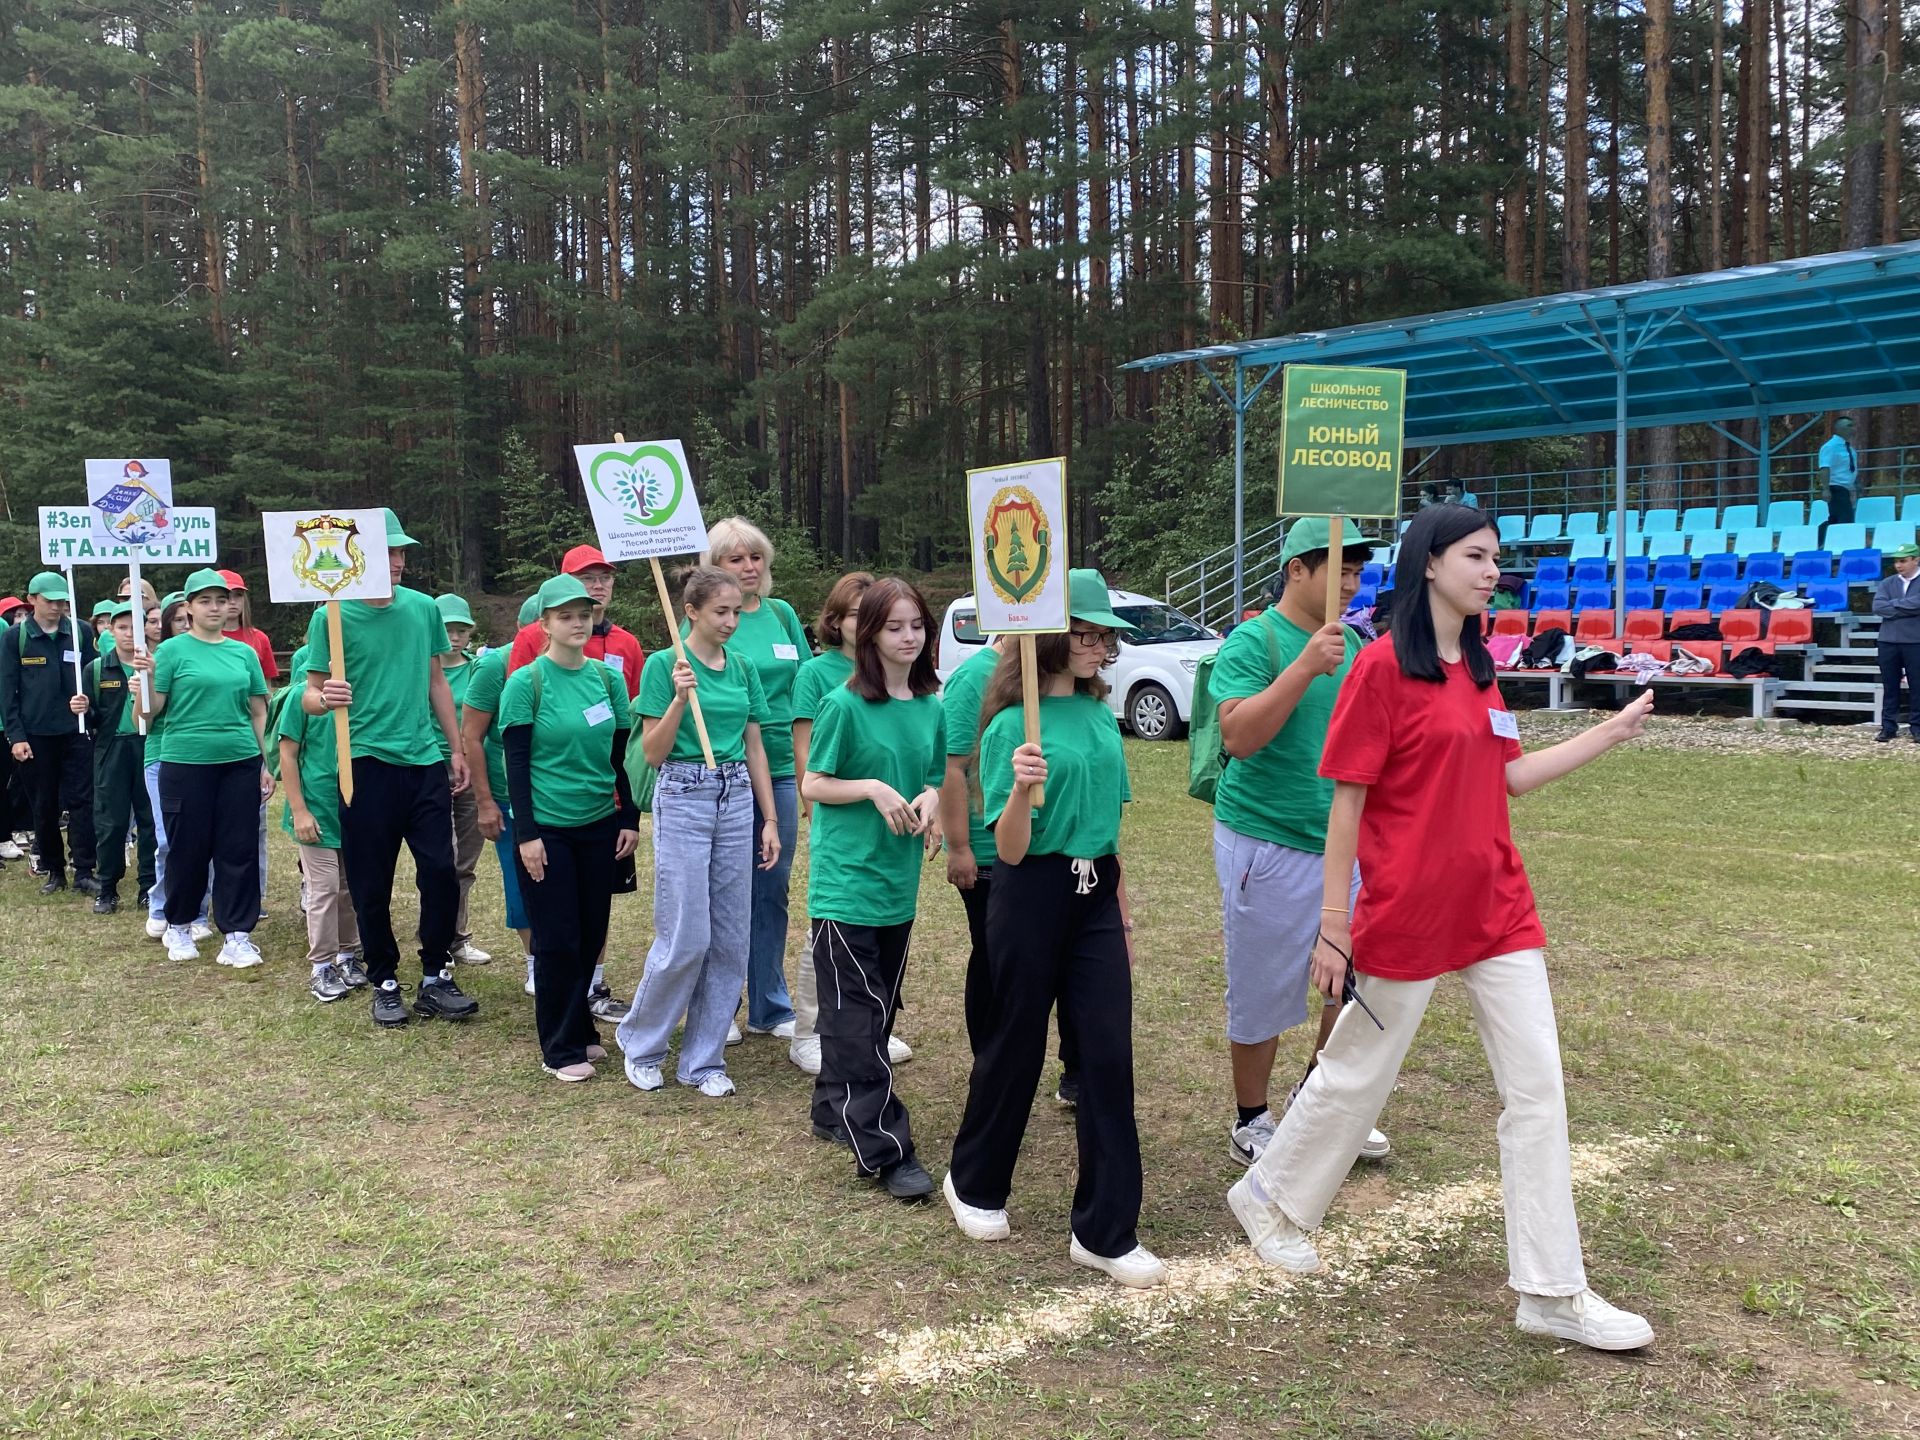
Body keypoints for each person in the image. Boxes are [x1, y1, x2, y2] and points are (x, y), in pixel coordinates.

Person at [1227, 504, 1658, 1352]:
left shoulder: (1485, 670)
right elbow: (1347, 798)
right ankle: (1270, 1198)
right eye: (1477, 555)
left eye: (1497, 557)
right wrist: (1333, 923)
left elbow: (1513, 779)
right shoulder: (1380, 669)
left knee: (1537, 1092)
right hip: (1407, 912)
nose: (1493, 570)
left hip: (1498, 908)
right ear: (1429, 563)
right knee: (1356, 1073)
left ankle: (1552, 1291)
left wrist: (1606, 732)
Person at [944, 569, 1165, 1291]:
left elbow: (1112, 824)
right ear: (1045, 639)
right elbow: (1006, 850)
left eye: (1105, 635)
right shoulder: (1013, 725)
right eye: (1084, 632)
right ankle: (973, 1182)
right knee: (1015, 1043)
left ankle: (1104, 1230)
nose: (1099, 645)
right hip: (1030, 889)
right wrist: (1019, 783)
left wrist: (1122, 912)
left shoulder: (1103, 717)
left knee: (1106, 1056)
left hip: (1094, 893)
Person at [1211, 518, 1393, 1168]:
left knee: (1350, 982)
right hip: (1264, 841)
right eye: (1339, 569)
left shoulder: (1361, 643)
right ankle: (1252, 1120)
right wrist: (1305, 665)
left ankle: (1317, 1099)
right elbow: (1238, 736)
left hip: (1344, 843)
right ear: (1296, 570)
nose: (1351, 583)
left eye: (1357, 572)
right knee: (1263, 987)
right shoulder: (1254, 640)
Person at [302, 508, 479, 1029]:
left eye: (401, 552)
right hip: (363, 765)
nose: (397, 562)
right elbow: (310, 695)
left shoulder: (423, 610)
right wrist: (324, 696)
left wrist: (455, 748)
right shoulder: (330, 616)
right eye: (386, 553)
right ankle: (383, 978)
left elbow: (436, 683)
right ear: (357, 557)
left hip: (423, 760)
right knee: (371, 882)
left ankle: (436, 976)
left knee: (441, 873)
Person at [801, 577, 944, 1200]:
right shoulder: (843, 705)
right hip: (845, 886)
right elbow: (813, 783)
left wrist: (932, 797)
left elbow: (935, 773)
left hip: (897, 884)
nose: (908, 637)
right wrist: (871, 788)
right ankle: (886, 1150)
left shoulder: (931, 705)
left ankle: (832, 1108)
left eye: (916, 625)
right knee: (857, 1016)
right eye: (894, 626)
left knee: (874, 1009)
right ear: (867, 634)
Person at [615, 565, 780, 1096]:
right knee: (687, 933)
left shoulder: (743, 667)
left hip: (734, 795)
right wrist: (680, 700)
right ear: (691, 612)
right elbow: (651, 752)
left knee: (731, 935)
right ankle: (642, 1044)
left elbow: (754, 745)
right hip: (683, 791)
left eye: (736, 612)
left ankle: (703, 1060)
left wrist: (769, 817)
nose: (731, 621)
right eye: (721, 612)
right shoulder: (666, 665)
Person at [500, 575, 641, 1081]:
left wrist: (629, 818)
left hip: (600, 824)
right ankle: (559, 1048)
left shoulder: (606, 680)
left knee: (588, 933)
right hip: (548, 828)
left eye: (585, 613)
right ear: (545, 624)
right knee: (556, 939)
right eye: (566, 616)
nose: (578, 622)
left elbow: (618, 758)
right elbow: (516, 764)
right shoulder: (526, 683)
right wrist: (527, 835)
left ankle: (582, 1029)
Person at [938, 629, 1080, 1105]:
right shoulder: (974, 677)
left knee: (1064, 961)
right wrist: (960, 847)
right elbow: (953, 767)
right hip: (989, 848)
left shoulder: (1056, 682)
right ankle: (992, 1065)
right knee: (997, 962)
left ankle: (1073, 1068)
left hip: (1048, 849)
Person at [787, 571, 910, 1075]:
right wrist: (817, 809)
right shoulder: (819, 676)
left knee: (874, 928)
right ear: (836, 622)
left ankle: (865, 1025)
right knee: (834, 928)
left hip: (885, 830)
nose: (873, 622)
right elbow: (807, 753)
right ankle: (811, 1030)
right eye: (862, 613)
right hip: (839, 819)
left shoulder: (897, 679)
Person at [700, 518, 811, 1042]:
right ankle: (717, 1005)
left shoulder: (782, 614)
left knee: (771, 886)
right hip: (726, 768)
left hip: (784, 768)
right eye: (734, 559)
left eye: (755, 557)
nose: (748, 567)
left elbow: (809, 684)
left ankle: (768, 1004)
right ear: (713, 567)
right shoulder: (703, 621)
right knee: (720, 889)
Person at [144, 569, 273, 967]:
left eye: (222, 600)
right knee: (188, 847)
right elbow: (148, 716)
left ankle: (237, 934)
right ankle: (179, 924)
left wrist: (265, 763)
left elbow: (257, 710)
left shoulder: (244, 653)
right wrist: (145, 680)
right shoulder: (170, 652)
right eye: (205, 601)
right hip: (185, 762)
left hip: (239, 762)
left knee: (239, 848)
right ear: (188, 608)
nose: (216, 607)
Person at [0, 571, 99, 895]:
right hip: (35, 735)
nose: (57, 607)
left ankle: (84, 868)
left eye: (62, 601)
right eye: (50, 601)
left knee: (83, 801)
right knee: (43, 805)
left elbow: (95, 675)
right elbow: (7, 690)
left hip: (77, 731)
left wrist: (91, 707)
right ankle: (55, 870)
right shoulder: (16, 637)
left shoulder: (80, 632)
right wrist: (16, 736)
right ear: (32, 600)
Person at [464, 594, 542, 998]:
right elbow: (472, 736)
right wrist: (486, 801)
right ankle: (534, 964)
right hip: (510, 794)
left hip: (560, 796)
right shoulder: (496, 665)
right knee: (521, 878)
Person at [279, 640, 366, 1001]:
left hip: (352, 808)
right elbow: (288, 753)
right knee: (325, 887)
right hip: (315, 810)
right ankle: (322, 965)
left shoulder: (360, 692)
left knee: (351, 888)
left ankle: (349, 954)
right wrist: (300, 810)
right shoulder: (302, 698)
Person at [140, 594, 211, 944]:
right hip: (162, 756)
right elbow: (145, 717)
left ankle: (197, 911)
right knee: (170, 838)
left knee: (203, 838)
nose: (187, 624)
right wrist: (148, 681)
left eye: (190, 617)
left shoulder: (214, 656)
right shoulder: (155, 660)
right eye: (179, 619)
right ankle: (161, 906)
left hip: (203, 759)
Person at [84, 603, 158, 916]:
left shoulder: (153, 665)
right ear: (110, 631)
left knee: (151, 820)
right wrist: (82, 709)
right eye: (122, 627)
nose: (129, 634)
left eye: (135, 627)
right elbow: (92, 720)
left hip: (148, 745)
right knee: (110, 821)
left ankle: (148, 887)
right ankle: (108, 888)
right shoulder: (98, 669)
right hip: (111, 749)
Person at [435, 592, 491, 964]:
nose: (454, 637)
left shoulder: (478, 669)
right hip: (430, 766)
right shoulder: (422, 669)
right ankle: (438, 937)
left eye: (461, 629)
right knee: (442, 857)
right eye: (447, 629)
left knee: (465, 861)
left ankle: (458, 937)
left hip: (473, 770)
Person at [1871, 544, 1920, 743]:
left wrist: (1893, 606)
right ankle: (1888, 727)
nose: (1898, 565)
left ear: (1915, 560)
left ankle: (1916, 727)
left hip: (1915, 641)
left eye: (1903, 560)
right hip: (1888, 641)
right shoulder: (1887, 583)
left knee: (1917, 686)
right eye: (1896, 561)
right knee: (1889, 686)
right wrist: (1907, 607)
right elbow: (1878, 606)